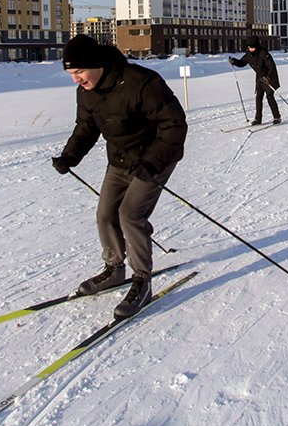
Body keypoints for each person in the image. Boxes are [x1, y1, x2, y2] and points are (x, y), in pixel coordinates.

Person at [51, 35, 188, 319]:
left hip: (155, 158)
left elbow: (174, 125)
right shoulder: (86, 91)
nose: (75, 79)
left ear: (96, 64)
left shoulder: (140, 82)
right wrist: (70, 156)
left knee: (130, 215)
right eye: (70, 74)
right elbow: (86, 127)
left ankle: (142, 280)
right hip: (120, 159)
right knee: (105, 214)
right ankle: (114, 269)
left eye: (79, 72)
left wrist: (152, 163)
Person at [229, 38, 281, 125]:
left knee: (269, 97)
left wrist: (268, 77)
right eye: (249, 48)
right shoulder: (249, 54)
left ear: (257, 46)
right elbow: (242, 62)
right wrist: (234, 61)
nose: (251, 49)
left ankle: (277, 117)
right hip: (260, 78)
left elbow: (271, 67)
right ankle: (258, 119)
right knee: (258, 97)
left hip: (270, 78)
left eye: (252, 47)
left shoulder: (264, 53)